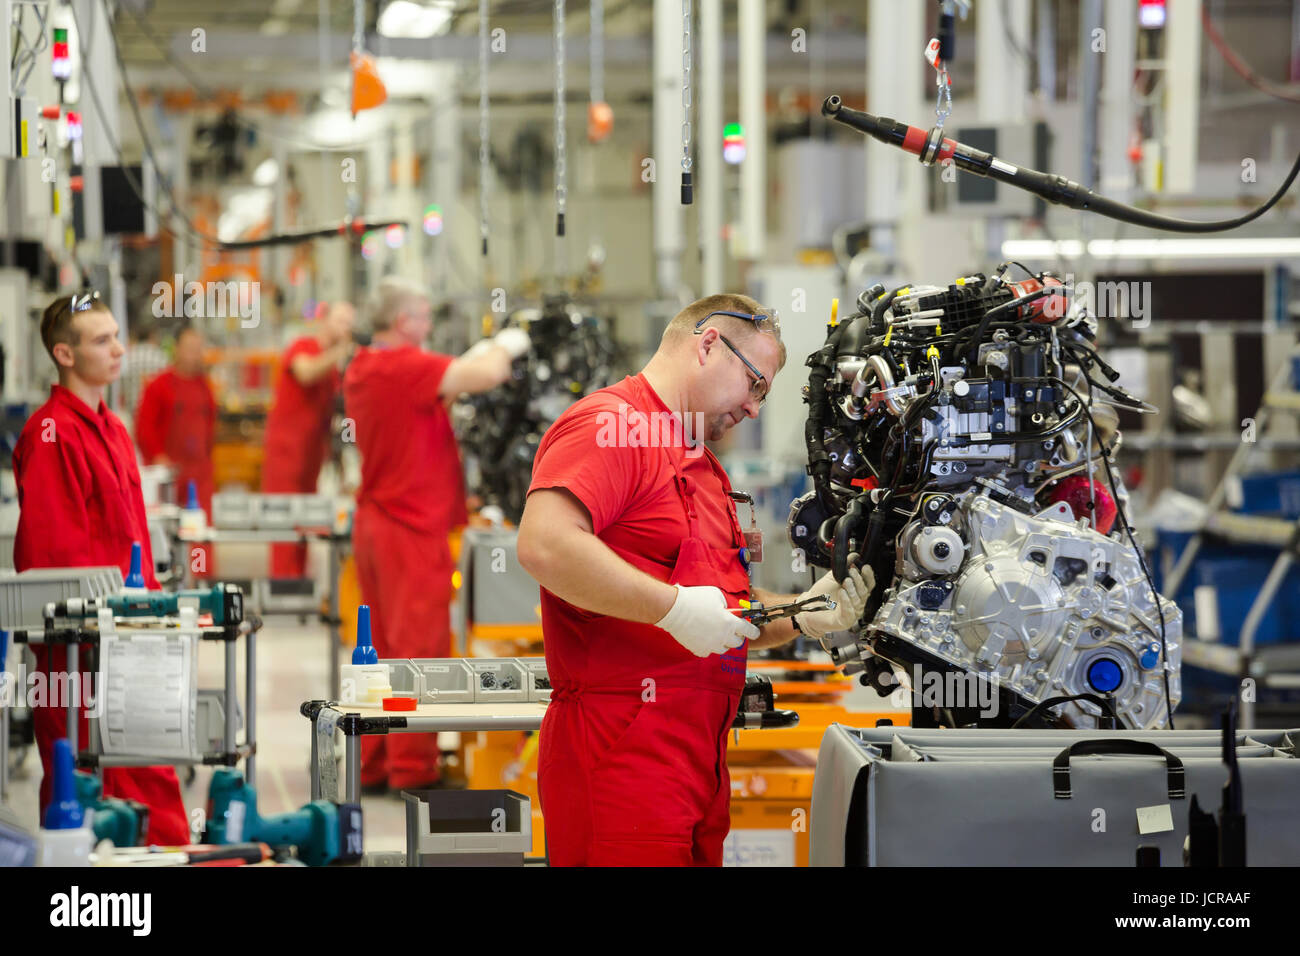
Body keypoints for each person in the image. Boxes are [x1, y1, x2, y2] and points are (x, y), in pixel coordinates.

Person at [516, 294, 872, 866]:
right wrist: (674, 609)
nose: (755, 410)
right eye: (755, 385)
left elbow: (725, 612)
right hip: (621, 757)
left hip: (698, 761)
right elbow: (544, 544)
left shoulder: (701, 465)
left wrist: (804, 612)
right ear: (709, 345)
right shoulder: (614, 427)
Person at [12, 292, 190, 844]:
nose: (118, 349)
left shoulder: (112, 427)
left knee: (149, 773)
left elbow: (131, 533)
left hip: (131, 634)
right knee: (82, 784)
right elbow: (51, 558)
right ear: (64, 354)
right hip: (80, 646)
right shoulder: (51, 435)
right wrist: (92, 634)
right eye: (101, 340)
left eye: (117, 335)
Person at [343, 277, 530, 791]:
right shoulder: (404, 366)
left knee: (376, 648)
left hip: (377, 522)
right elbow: (488, 374)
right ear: (404, 321)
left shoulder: (365, 367)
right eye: (424, 316)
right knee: (418, 649)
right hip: (411, 528)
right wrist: (509, 341)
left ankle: (376, 762)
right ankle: (414, 770)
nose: (428, 326)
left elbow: (437, 394)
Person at [262, 302, 356, 577]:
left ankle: (298, 585)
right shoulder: (303, 346)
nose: (346, 329)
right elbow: (305, 372)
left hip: (311, 457)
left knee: (304, 522)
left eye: (350, 323)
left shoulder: (334, 367)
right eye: (341, 321)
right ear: (323, 321)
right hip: (286, 454)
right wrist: (340, 352)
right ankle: (282, 586)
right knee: (283, 523)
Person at [135, 325, 218, 576]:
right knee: (165, 533)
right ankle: (166, 579)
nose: (195, 354)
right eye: (190, 348)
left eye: (199, 349)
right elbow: (144, 428)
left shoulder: (206, 388)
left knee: (199, 534)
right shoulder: (159, 386)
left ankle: (199, 580)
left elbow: (211, 426)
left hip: (199, 475)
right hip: (169, 475)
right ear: (177, 350)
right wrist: (159, 458)